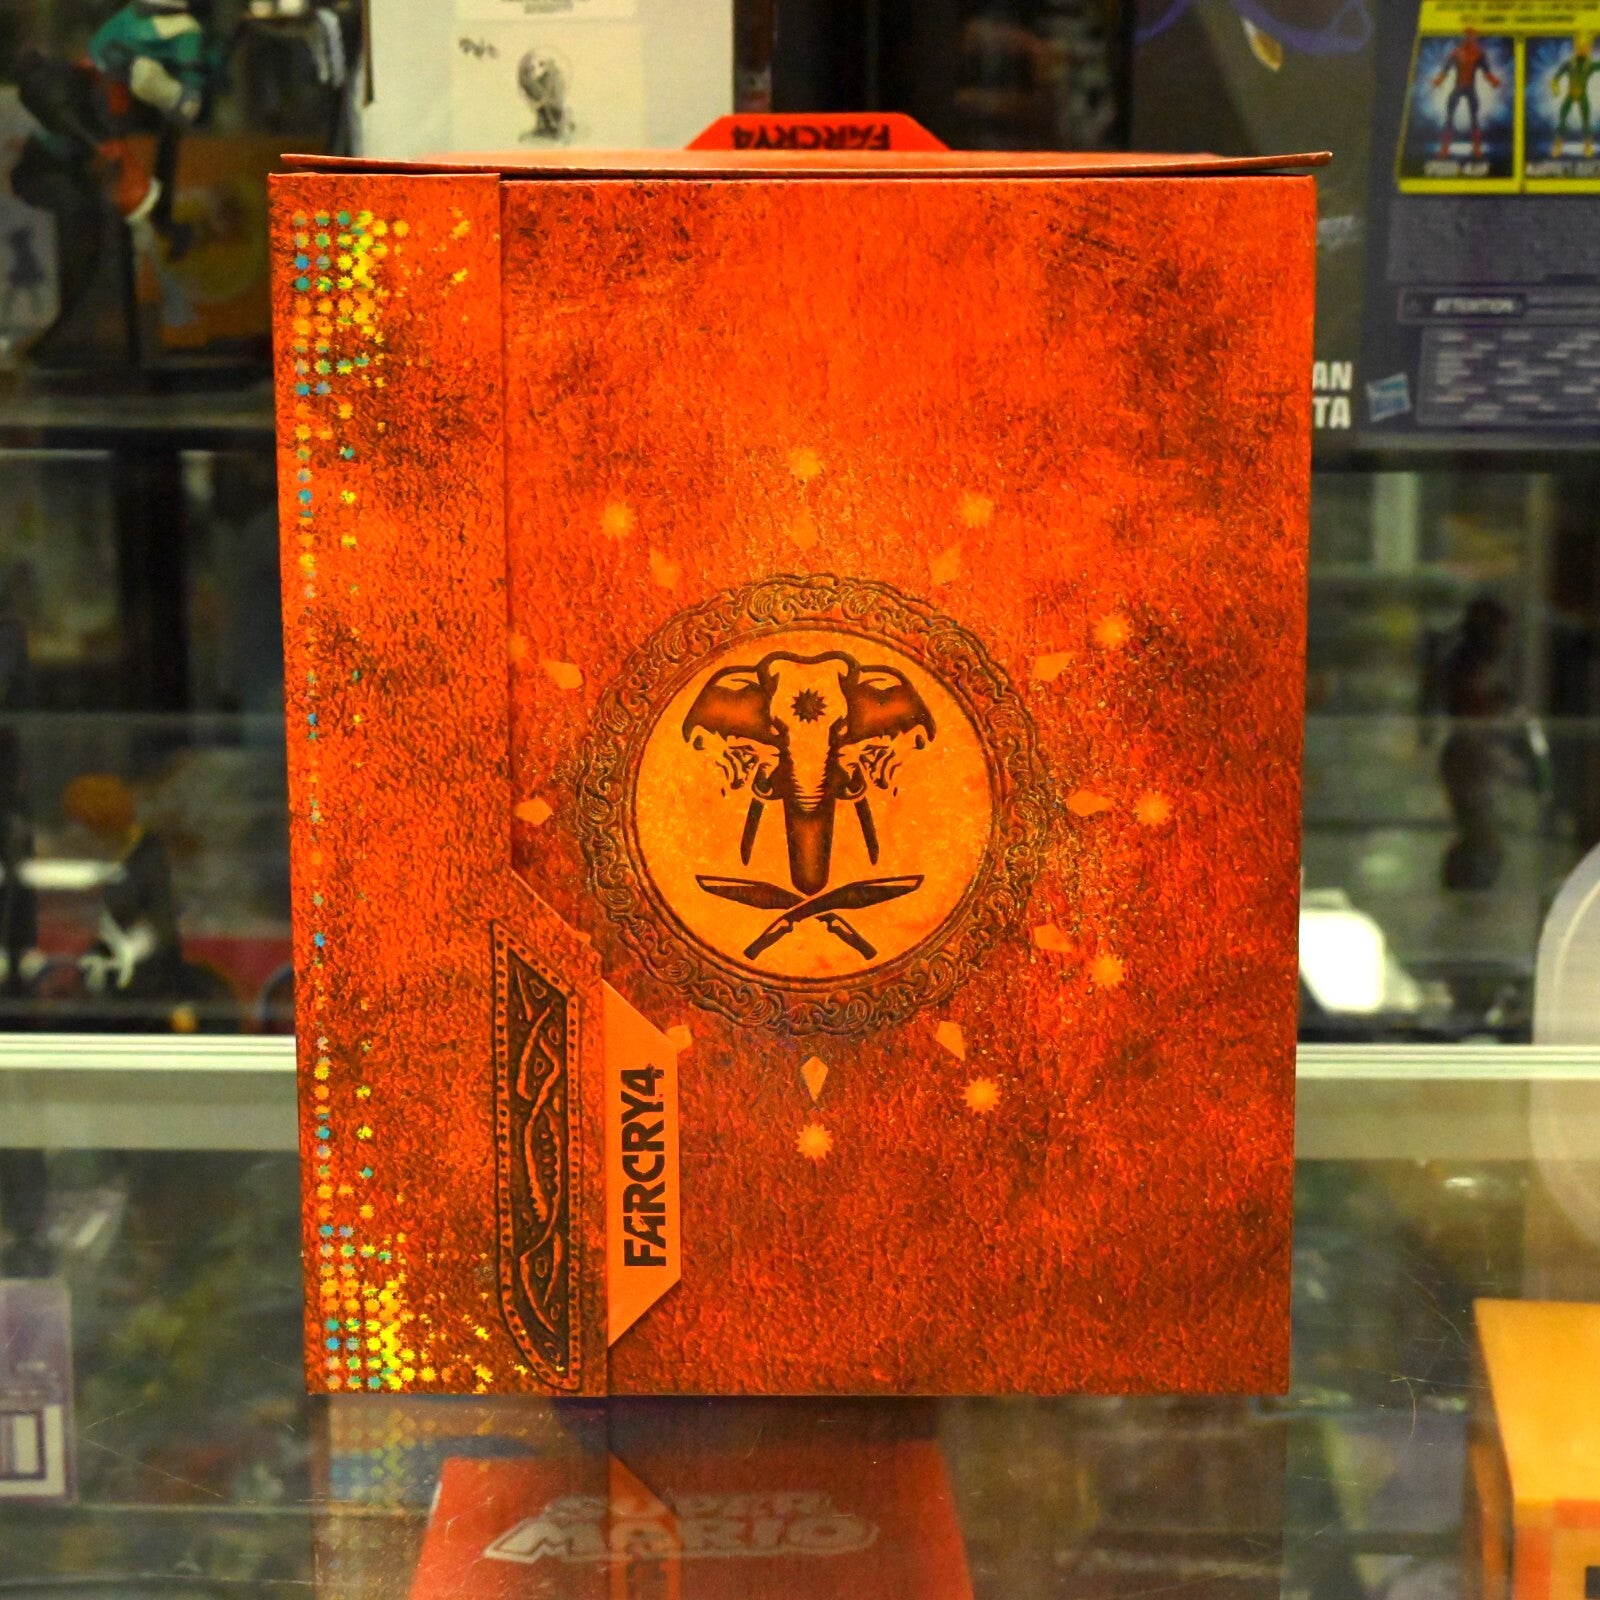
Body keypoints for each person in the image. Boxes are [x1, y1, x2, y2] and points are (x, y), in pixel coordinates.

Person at [1433, 27, 1500, 160]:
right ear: (1463, 37)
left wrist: (1493, 81)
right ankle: (1444, 148)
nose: (1469, 39)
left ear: (1474, 37)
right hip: (1458, 87)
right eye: (1467, 36)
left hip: (1470, 88)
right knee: (1449, 117)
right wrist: (1439, 79)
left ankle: (1476, 148)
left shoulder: (1478, 54)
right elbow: (1446, 69)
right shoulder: (1455, 53)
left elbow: (1486, 71)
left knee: (1474, 118)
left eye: (1471, 36)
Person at [1552, 35, 1597, 158]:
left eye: (1584, 47)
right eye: (1579, 47)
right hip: (1570, 94)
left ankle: (1587, 146)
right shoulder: (1569, 64)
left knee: (1586, 121)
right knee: (1563, 118)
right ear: (1576, 48)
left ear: (1588, 49)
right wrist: (1555, 88)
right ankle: (1558, 145)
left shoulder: (1589, 65)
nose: (1582, 50)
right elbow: (1556, 77)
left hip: (1582, 94)